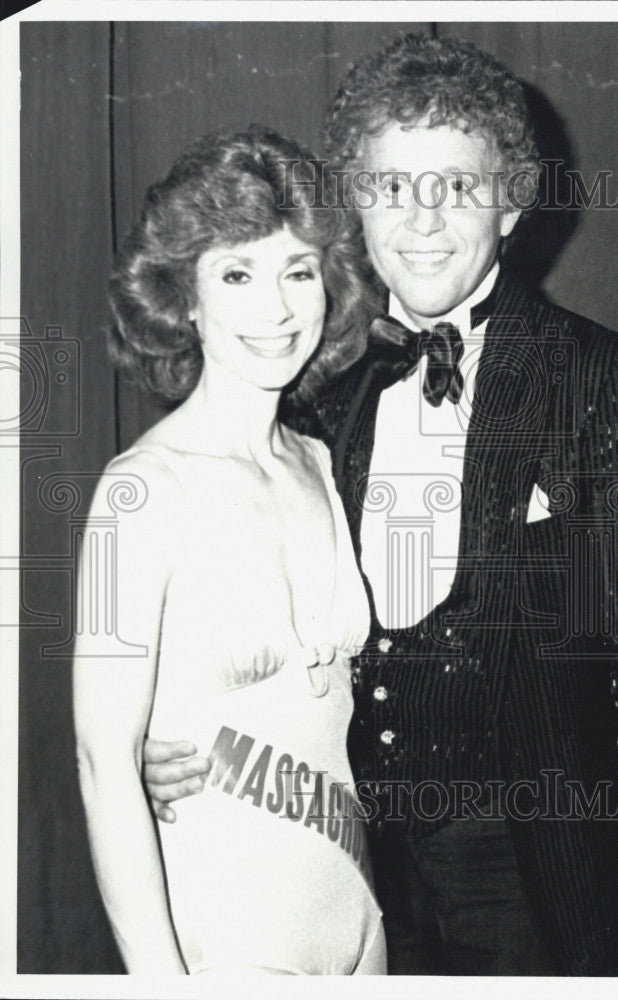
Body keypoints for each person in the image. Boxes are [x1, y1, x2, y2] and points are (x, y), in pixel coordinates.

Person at [144, 34, 618, 976]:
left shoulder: (606, 381)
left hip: (536, 876)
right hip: (344, 871)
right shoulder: (315, 383)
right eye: (390, 186)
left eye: (456, 185)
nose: (421, 218)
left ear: (514, 199)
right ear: (353, 205)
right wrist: (178, 735)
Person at [72, 126, 386, 976]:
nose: (275, 309)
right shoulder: (137, 491)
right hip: (227, 940)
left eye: (297, 271)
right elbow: (104, 762)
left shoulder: (318, 463)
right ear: (185, 300)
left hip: (359, 926)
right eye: (236, 274)